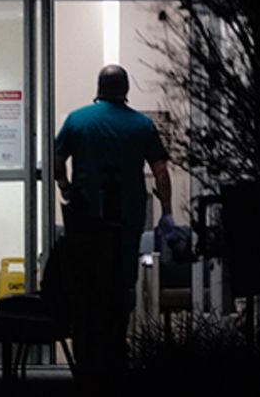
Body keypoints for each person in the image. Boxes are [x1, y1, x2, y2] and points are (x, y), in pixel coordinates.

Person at [53, 64, 173, 383]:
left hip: (85, 223)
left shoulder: (77, 121)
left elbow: (55, 158)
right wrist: (167, 213)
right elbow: (161, 171)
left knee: (86, 292)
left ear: (98, 88)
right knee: (120, 289)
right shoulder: (142, 125)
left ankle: (87, 366)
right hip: (125, 223)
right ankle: (116, 361)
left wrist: (65, 186)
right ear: (126, 90)